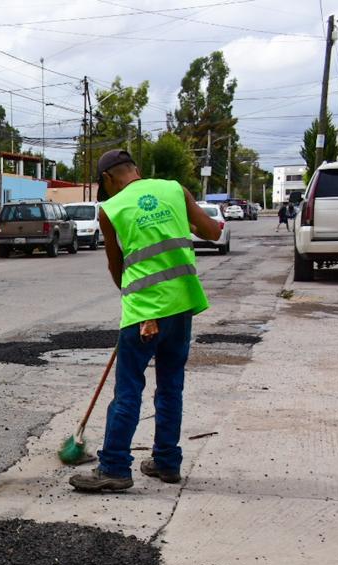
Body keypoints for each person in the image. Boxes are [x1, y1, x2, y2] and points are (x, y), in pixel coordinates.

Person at [69, 149, 221, 494]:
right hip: (182, 305)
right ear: (135, 169)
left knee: (128, 390)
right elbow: (211, 231)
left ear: (108, 179)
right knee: (170, 386)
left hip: (144, 312)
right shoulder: (175, 189)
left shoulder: (111, 209)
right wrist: (188, 221)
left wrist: (135, 306)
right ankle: (167, 461)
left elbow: (116, 267)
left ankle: (114, 468)